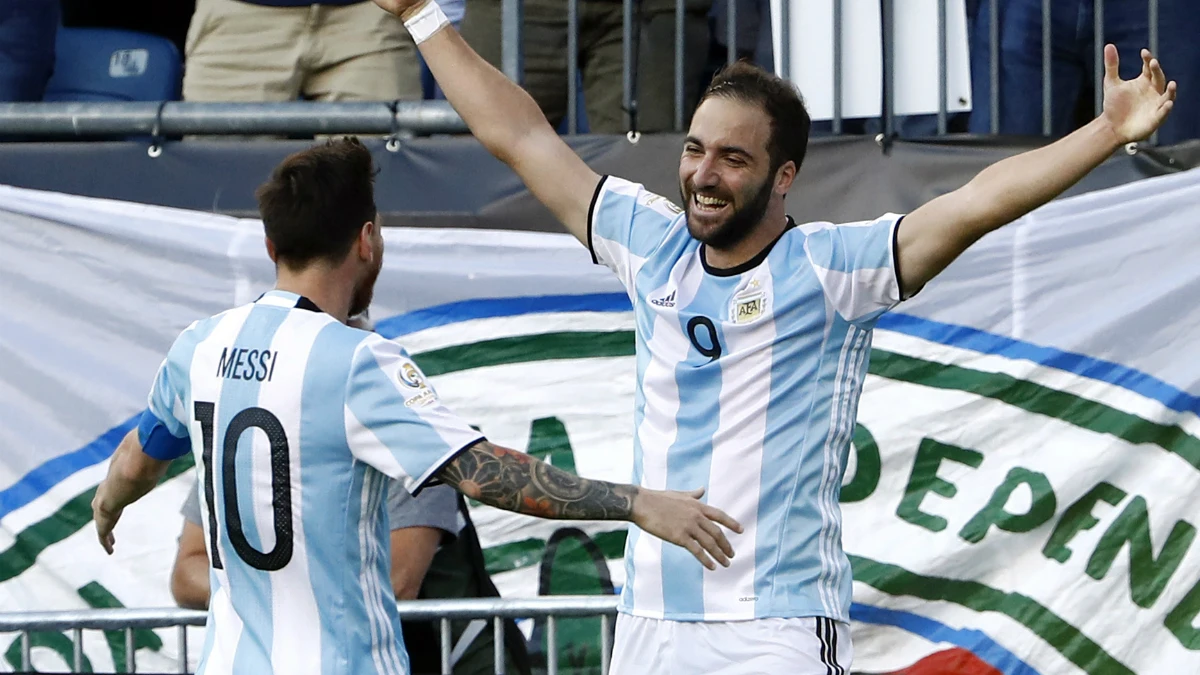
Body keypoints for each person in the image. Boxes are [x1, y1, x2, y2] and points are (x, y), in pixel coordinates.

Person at [367, 1, 1177, 670]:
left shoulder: (833, 269)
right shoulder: (649, 242)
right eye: (693, 150)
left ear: (783, 176)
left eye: (731, 158)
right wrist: (419, 17)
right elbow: (523, 137)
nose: (702, 175)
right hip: (650, 623)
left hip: (777, 630)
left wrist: (1105, 133)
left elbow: (975, 202)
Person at [91, 137, 741, 675]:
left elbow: (135, 460)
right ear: (368, 240)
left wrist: (108, 505)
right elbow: (484, 473)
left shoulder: (199, 347)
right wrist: (637, 501)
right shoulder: (355, 360)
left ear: (271, 247)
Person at [170, 481, 532, 675]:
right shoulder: (235, 438)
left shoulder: (407, 446)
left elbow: (392, 589)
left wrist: (265, 600)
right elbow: (188, 570)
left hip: (451, 660)